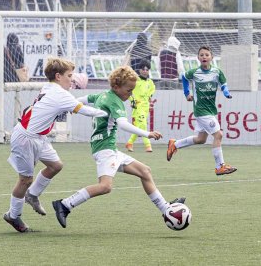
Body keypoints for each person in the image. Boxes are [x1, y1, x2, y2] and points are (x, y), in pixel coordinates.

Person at [51, 65, 185, 229]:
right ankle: (65, 205)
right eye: (128, 91)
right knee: (105, 186)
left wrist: (70, 106)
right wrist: (146, 133)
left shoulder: (103, 95)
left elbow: (84, 99)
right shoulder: (115, 101)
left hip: (109, 148)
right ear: (116, 86)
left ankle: (166, 209)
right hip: (105, 149)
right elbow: (123, 124)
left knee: (145, 171)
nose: (130, 95)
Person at [3, 57, 108, 233]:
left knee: (55, 165)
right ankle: (13, 215)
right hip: (26, 138)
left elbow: (73, 103)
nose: (72, 79)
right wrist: (107, 113)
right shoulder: (59, 94)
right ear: (58, 76)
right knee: (25, 179)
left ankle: (32, 195)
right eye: (69, 75)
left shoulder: (51, 87)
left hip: (39, 137)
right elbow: (84, 110)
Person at [166, 46, 236, 176]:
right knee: (218, 135)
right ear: (198, 58)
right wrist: (187, 93)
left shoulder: (217, 72)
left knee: (201, 139)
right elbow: (184, 77)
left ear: (211, 57)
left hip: (210, 109)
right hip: (201, 110)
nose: (204, 57)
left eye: (206, 55)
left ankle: (175, 144)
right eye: (201, 55)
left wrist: (226, 92)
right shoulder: (194, 72)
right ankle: (220, 166)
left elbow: (223, 84)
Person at [125, 59, 156, 152]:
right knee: (143, 125)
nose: (145, 71)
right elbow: (128, 91)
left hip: (145, 107)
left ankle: (129, 143)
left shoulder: (150, 82)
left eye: (147, 69)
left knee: (139, 127)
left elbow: (152, 90)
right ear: (139, 70)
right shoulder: (135, 80)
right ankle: (148, 145)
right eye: (143, 69)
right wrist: (132, 100)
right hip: (137, 106)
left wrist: (149, 97)